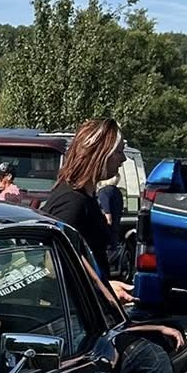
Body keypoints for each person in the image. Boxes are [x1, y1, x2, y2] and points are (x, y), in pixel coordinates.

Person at [41, 119, 131, 302]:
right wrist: (102, 288)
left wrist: (105, 286)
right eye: (119, 151)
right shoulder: (73, 201)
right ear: (99, 153)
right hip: (71, 309)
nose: (123, 159)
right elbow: (52, 266)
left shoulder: (86, 197)